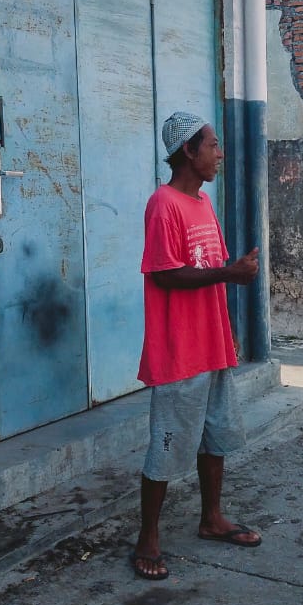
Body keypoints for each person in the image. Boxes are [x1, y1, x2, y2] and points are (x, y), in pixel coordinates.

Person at [131, 112, 262, 580]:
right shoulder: (162, 204)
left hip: (211, 343)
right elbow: (166, 273)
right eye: (212, 145)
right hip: (179, 350)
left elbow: (210, 269)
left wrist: (228, 317)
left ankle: (212, 518)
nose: (219, 154)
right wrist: (231, 272)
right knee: (167, 446)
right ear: (188, 151)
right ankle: (148, 538)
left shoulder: (203, 203)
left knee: (215, 435)